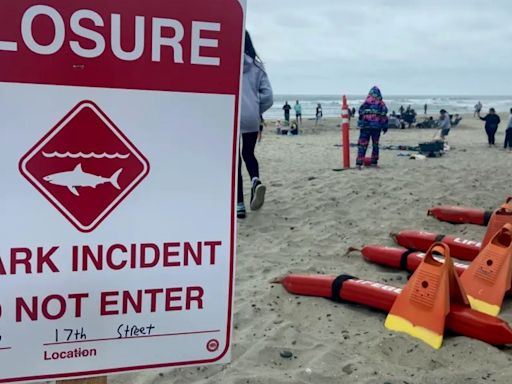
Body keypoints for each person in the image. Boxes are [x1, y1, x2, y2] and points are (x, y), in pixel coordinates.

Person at [238, 31, 273, 219]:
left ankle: (239, 205)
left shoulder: (225, 62)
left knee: (234, 160)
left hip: (231, 114)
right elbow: (269, 97)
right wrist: (254, 105)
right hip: (251, 117)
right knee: (248, 153)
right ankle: (255, 180)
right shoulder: (258, 67)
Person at [356, 86, 388, 168]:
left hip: (365, 126)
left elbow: (360, 113)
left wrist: (360, 123)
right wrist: (385, 127)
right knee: (375, 144)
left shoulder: (365, 102)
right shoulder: (381, 103)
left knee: (362, 144)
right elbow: (384, 115)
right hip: (376, 127)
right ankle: (374, 162)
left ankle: (359, 162)